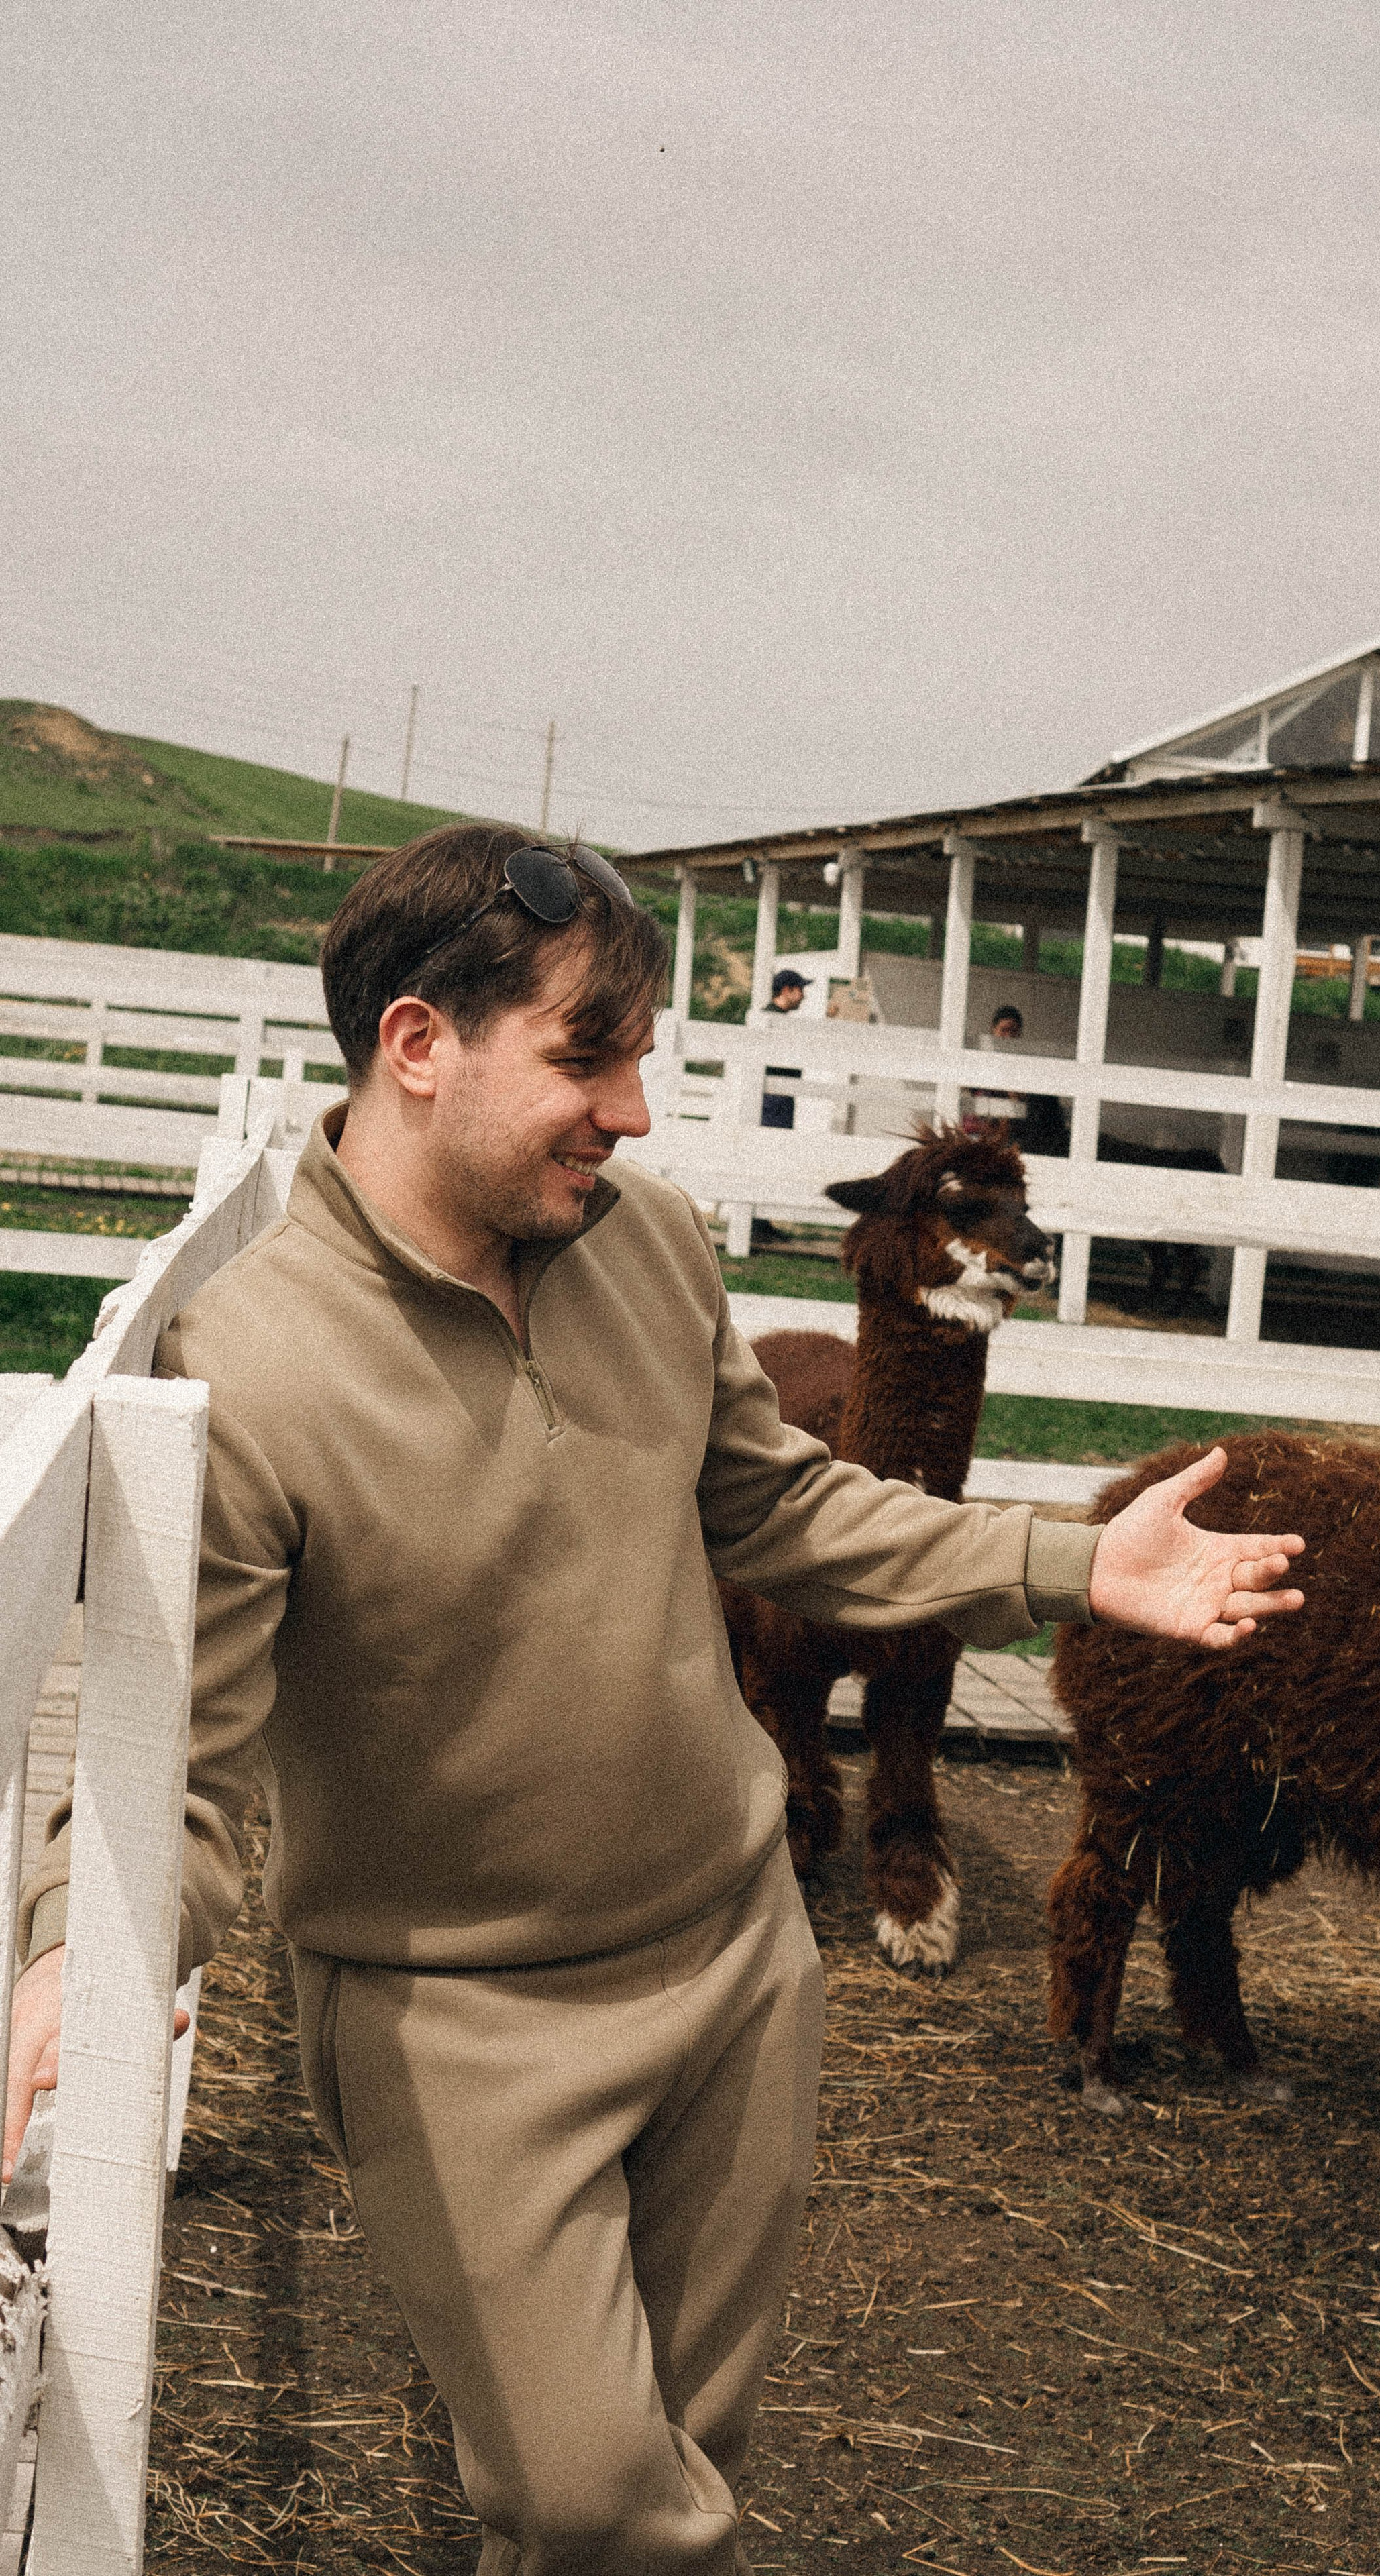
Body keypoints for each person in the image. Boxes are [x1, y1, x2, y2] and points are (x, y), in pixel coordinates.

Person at [5, 824, 1305, 2576]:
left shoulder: (657, 1248)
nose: (634, 1114)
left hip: (738, 1969)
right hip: (454, 2026)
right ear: (417, 1046)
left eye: (643, 1063)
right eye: (587, 1057)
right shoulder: (249, 1363)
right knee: (603, 2505)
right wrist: (87, 1946)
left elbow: (774, 1505)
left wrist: (1079, 1565)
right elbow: (188, 1764)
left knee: (664, 2485)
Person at [967, 1002, 1070, 1157]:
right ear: (993, 1030)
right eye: (1004, 1031)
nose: (1008, 1037)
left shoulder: (1027, 1062)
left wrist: (1022, 1097)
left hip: (1021, 1129)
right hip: (988, 1126)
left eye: (1013, 1032)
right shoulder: (982, 1060)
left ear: (1019, 1034)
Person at [758, 965, 805, 1130]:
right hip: (775, 1097)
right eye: (800, 990)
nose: (803, 996)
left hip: (776, 1096)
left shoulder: (768, 1017)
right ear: (787, 990)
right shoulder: (774, 1020)